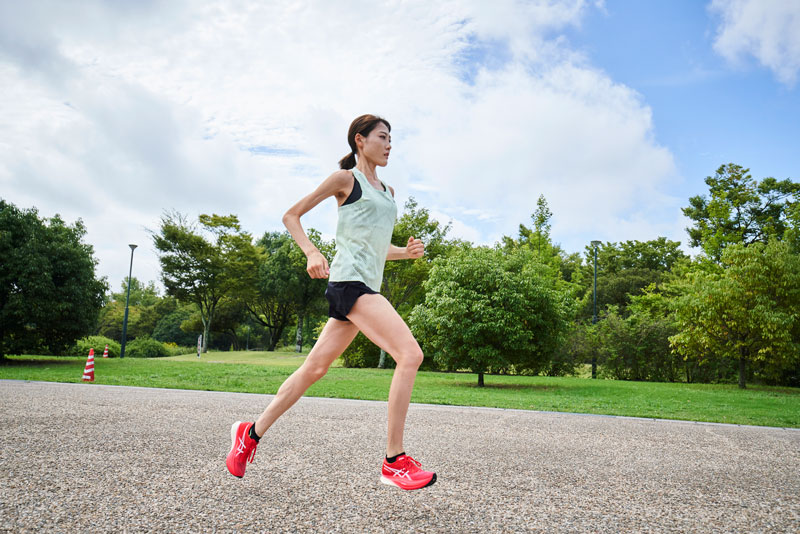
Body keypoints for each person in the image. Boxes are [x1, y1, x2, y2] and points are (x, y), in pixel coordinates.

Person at [226, 114, 436, 491]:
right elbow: (291, 215)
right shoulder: (346, 180)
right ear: (361, 140)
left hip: (362, 287)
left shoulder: (388, 193)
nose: (389, 145)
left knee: (314, 369)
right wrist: (310, 251)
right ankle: (394, 461)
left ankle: (249, 433)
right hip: (350, 286)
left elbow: (374, 249)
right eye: (383, 137)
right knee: (410, 355)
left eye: (392, 139)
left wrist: (404, 253)